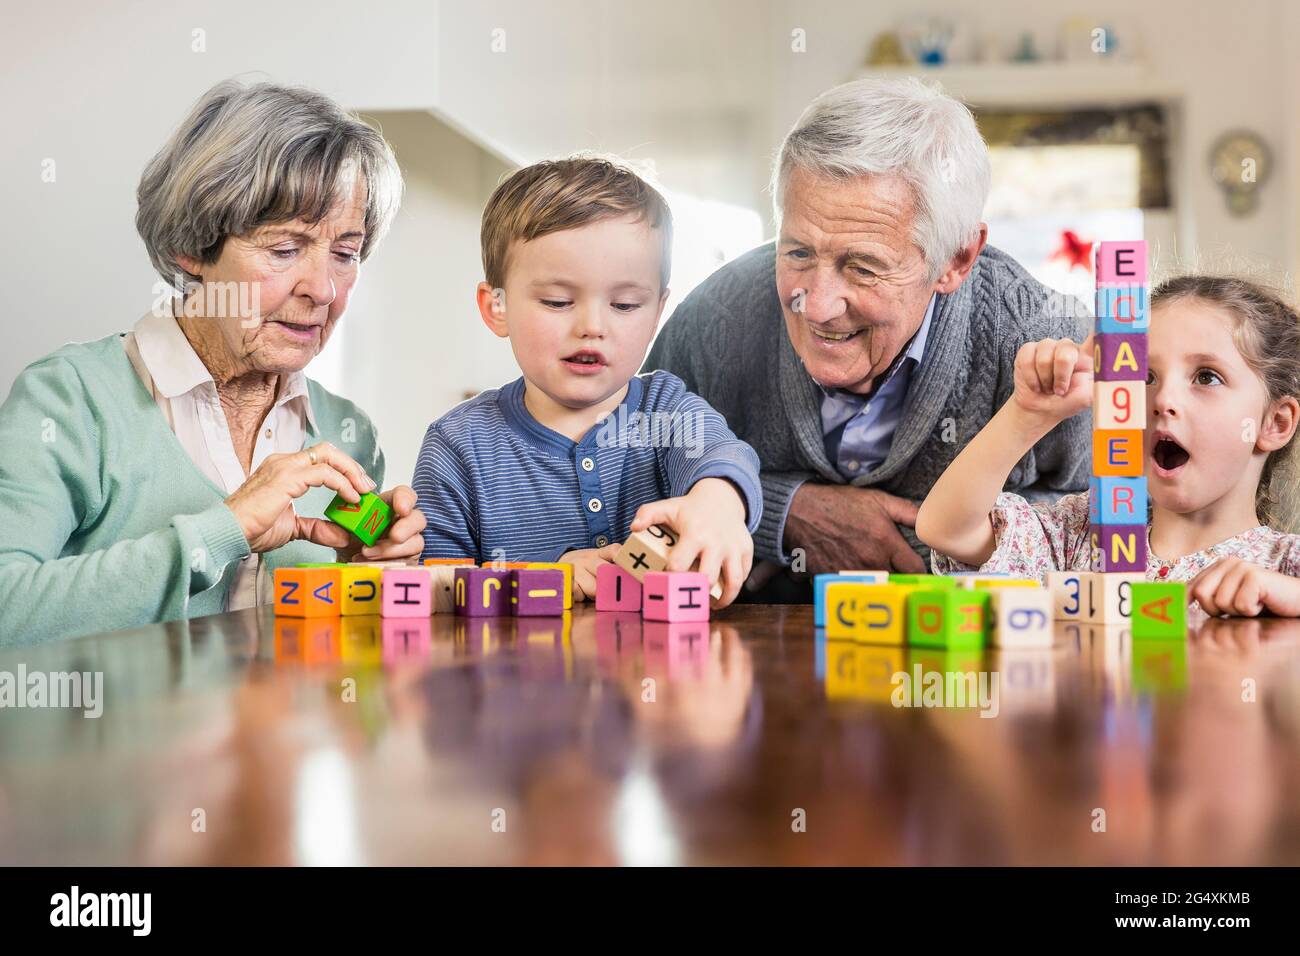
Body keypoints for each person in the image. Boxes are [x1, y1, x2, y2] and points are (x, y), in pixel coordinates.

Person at [0, 79, 426, 645]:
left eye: (345, 254)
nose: (324, 289)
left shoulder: (349, 435)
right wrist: (223, 530)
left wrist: (376, 585)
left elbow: (337, 666)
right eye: (285, 249)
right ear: (193, 247)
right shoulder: (71, 399)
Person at [412, 156, 762, 605]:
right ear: (496, 306)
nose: (592, 326)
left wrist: (718, 504)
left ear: (658, 312)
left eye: (626, 305)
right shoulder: (459, 445)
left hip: (661, 671)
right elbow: (435, 595)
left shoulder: (667, 411)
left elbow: (721, 455)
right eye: (558, 302)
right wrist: (542, 581)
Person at [917, 275, 1300, 617]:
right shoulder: (1080, 533)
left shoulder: (1283, 566)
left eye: (1206, 377)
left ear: (1275, 422)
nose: (1163, 399)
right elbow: (946, 530)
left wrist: (1287, 595)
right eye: (1145, 376)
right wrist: (1026, 414)